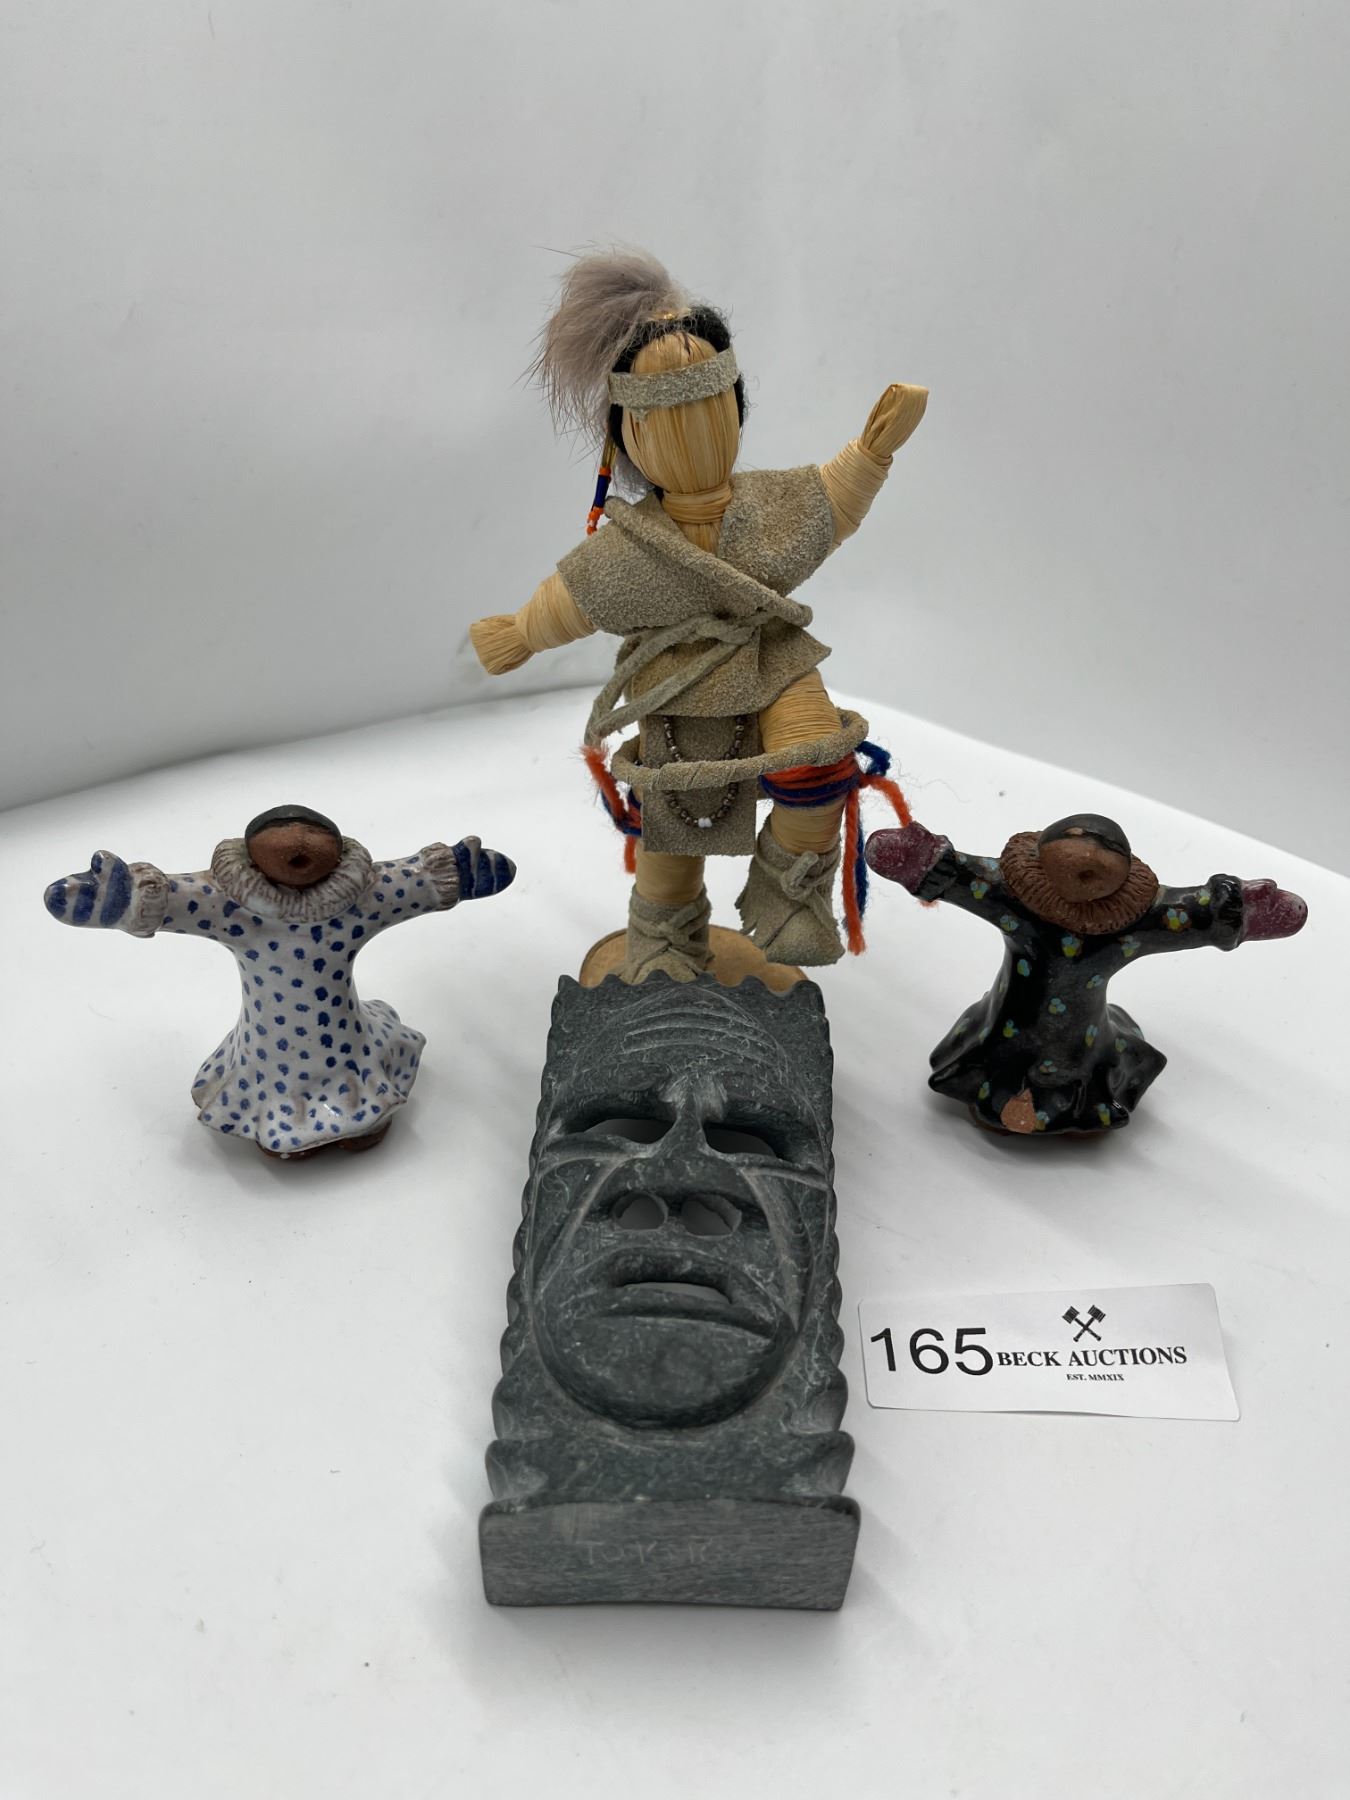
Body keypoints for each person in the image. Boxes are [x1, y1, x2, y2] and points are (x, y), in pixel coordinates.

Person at [469, 247, 926, 981]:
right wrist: (520, 634)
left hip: (775, 659)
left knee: (817, 756)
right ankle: (664, 933)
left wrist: (874, 450)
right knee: (677, 820)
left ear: (734, 408)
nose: (695, 430)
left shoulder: (774, 504)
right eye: (669, 418)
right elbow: (572, 600)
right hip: (681, 687)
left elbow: (832, 498)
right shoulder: (631, 548)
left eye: (708, 409)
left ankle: (789, 892)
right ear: (629, 435)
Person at [43, 806, 514, 1158]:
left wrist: (460, 873)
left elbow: (416, 884)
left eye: (312, 843)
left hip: (345, 1036)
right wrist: (122, 899)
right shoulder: (232, 908)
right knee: (279, 1075)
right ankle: (289, 1127)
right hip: (270, 1045)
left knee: (352, 1066)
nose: (298, 853)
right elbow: (172, 900)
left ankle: (358, 1120)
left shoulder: (359, 899)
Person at [865, 812, 1308, 1134]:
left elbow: (1191, 915)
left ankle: (1061, 1102)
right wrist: (928, 864)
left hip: (1082, 1041)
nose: (1088, 865)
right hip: (1008, 1024)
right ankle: (1007, 1092)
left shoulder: (1131, 922)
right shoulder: (1015, 898)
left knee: (1068, 1066)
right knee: (1005, 1054)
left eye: (1103, 857)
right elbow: (961, 877)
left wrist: (1233, 912)